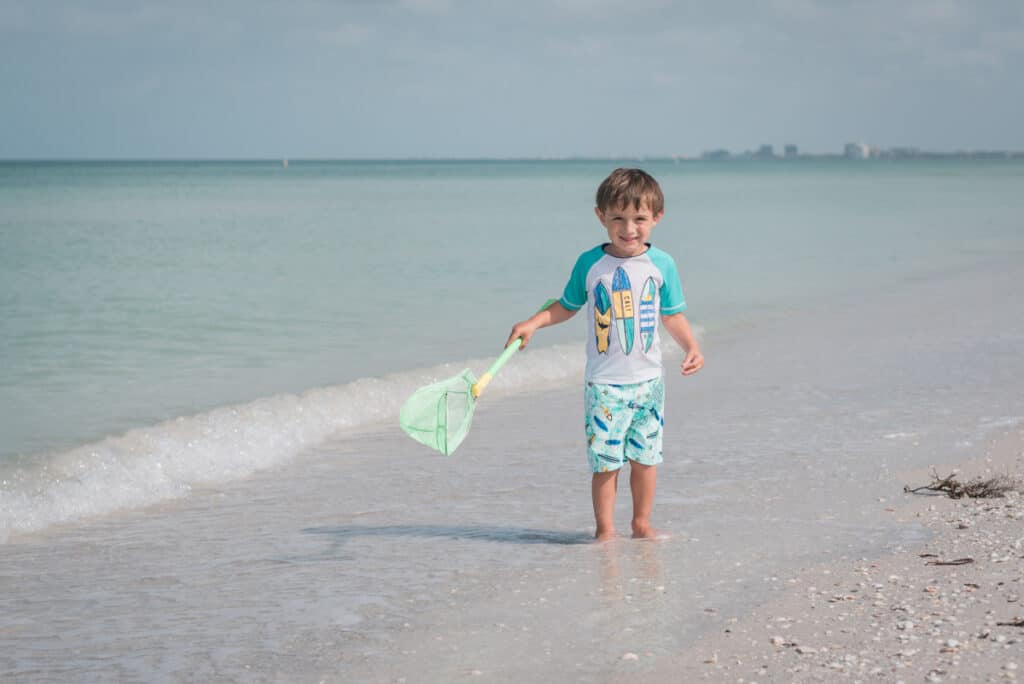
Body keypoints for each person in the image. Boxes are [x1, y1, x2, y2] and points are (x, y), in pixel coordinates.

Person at [505, 168, 704, 541]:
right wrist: (532, 323)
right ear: (601, 216)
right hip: (605, 386)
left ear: (656, 218)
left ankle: (641, 523)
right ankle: (605, 531)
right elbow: (566, 305)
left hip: (649, 383)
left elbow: (672, 314)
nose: (629, 228)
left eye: (639, 219)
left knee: (647, 459)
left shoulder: (662, 264)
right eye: (618, 219)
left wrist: (691, 347)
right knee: (606, 463)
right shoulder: (590, 264)